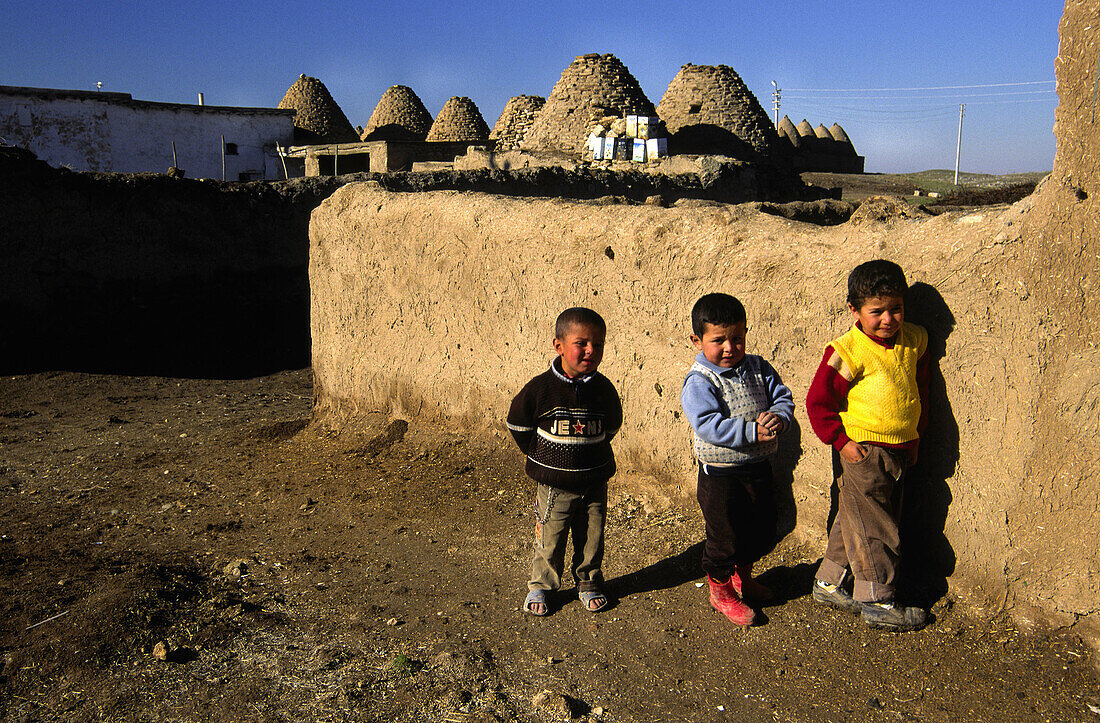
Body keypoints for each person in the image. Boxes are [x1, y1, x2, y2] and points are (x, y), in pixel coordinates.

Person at [805, 259, 930, 631]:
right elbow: (818, 402)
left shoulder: (915, 340)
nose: (888, 320)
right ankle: (878, 600)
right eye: (877, 312)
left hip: (899, 449)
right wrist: (841, 443)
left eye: (896, 309)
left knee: (856, 519)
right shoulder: (848, 351)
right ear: (854, 310)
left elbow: (921, 393)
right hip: (862, 451)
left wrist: (916, 437)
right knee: (878, 527)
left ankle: (828, 582)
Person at [680, 293, 794, 627]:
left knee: (759, 528)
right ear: (697, 340)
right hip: (720, 476)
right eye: (719, 341)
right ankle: (721, 591)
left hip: (758, 468)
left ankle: (743, 577)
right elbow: (707, 425)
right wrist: (750, 432)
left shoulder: (758, 367)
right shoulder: (700, 381)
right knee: (724, 536)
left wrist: (780, 417)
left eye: (737, 338)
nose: (730, 347)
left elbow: (781, 396)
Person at [507, 307, 622, 616]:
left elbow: (611, 426)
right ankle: (541, 586)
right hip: (555, 485)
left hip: (594, 482)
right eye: (581, 343)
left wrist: (589, 454)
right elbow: (518, 425)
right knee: (550, 537)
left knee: (592, 537)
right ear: (558, 345)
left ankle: (588, 581)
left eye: (598, 344)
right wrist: (542, 456)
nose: (590, 351)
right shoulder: (541, 389)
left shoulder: (604, 389)